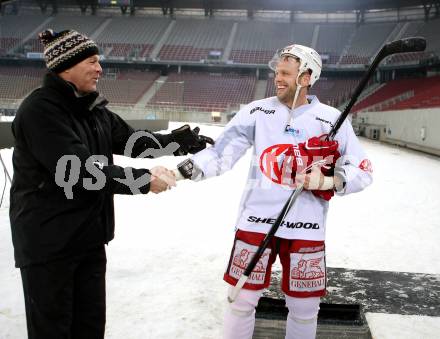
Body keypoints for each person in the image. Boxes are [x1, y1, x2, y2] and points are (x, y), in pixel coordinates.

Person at [9, 29, 213, 339]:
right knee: (53, 331)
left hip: (88, 239)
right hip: (49, 244)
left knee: (90, 328)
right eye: (91, 61)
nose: (99, 69)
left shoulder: (92, 108)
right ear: (67, 66)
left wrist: (177, 142)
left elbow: (132, 141)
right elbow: (78, 170)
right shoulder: (40, 110)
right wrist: (144, 181)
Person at [174, 44, 373, 338]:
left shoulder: (332, 119)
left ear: (306, 77)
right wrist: (180, 172)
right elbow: (220, 154)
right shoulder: (256, 111)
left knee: (305, 308)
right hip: (256, 222)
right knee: (241, 300)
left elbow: (363, 169)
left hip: (306, 227)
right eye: (277, 72)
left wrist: (332, 181)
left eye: (285, 73)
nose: (277, 78)